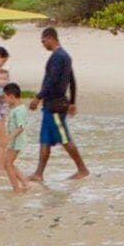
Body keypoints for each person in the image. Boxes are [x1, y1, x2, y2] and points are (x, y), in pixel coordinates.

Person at [36, 24, 87, 180]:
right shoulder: (65, 56)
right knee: (44, 140)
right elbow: (71, 79)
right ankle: (39, 173)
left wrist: (38, 96)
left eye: (43, 41)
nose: (43, 45)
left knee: (64, 138)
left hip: (55, 105)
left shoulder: (58, 57)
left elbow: (52, 80)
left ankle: (82, 169)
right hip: (50, 105)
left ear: (50, 38)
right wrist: (72, 101)